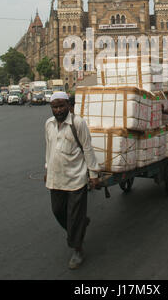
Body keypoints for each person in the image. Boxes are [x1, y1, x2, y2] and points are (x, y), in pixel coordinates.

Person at [44, 92, 100, 269]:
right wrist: (47, 168)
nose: (58, 110)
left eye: (61, 106)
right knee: (58, 210)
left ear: (68, 105)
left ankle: (77, 249)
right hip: (56, 177)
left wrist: (94, 175)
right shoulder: (49, 124)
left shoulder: (78, 123)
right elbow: (49, 147)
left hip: (76, 178)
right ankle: (79, 226)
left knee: (74, 217)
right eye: (55, 106)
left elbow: (88, 149)